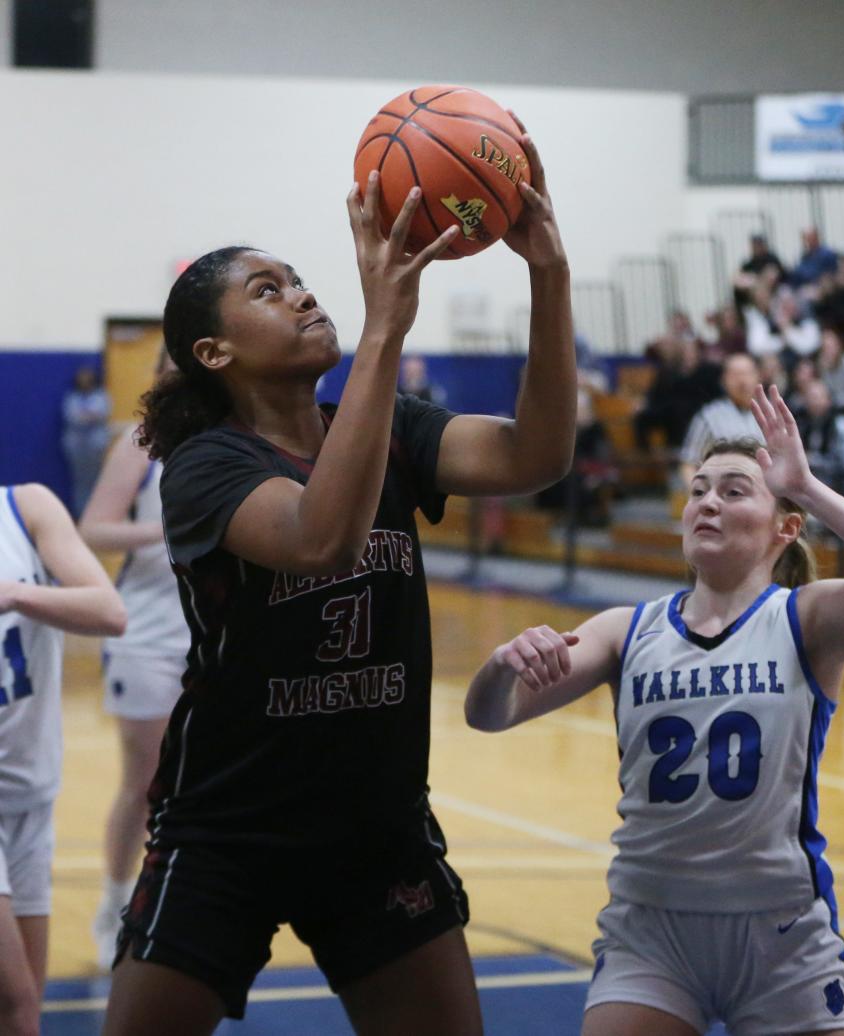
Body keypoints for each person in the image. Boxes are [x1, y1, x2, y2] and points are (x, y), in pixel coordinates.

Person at [102, 125, 576, 1036]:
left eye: (298, 279)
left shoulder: (392, 425)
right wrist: (385, 326)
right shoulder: (205, 467)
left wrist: (547, 275)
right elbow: (321, 537)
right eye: (266, 291)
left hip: (375, 826)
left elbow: (538, 454)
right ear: (214, 353)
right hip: (228, 828)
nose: (302, 292)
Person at [465, 385, 844, 1036]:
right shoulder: (625, 629)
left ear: (786, 525)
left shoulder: (807, 619)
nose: (709, 502)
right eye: (698, 490)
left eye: (735, 490)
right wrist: (501, 666)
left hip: (780, 931)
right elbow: (490, 715)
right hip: (651, 927)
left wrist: (806, 484)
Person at [78, 351, 191, 971]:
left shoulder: (243, 436)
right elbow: (92, 528)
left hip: (218, 633)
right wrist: (172, 530)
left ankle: (183, 908)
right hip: (146, 630)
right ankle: (116, 903)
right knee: (145, 782)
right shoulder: (141, 441)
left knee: (204, 784)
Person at [0, 483, 126, 1036]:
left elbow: (108, 611)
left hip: (31, 795)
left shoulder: (26, 509)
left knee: (27, 1008)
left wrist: (16, 594)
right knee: (14, 997)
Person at [679, 353, 763, 486]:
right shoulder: (709, 416)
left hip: (766, 497)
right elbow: (689, 464)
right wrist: (701, 498)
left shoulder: (772, 415)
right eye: (735, 375)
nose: (742, 381)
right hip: (723, 498)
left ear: (758, 377)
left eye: (747, 373)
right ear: (724, 380)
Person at [60, 365, 112, 518]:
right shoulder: (72, 398)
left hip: (96, 447)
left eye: (88, 378)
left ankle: (96, 515)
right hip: (76, 448)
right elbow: (73, 417)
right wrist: (89, 416)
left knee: (98, 481)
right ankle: (81, 515)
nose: (85, 381)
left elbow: (100, 414)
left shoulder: (101, 396)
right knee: (80, 483)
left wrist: (86, 416)